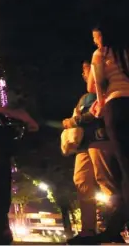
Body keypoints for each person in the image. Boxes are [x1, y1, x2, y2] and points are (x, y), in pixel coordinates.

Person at [74, 25, 129, 244]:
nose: (95, 41)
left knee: (124, 169)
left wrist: (101, 101)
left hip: (115, 105)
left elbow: (94, 84)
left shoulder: (101, 53)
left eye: (96, 37)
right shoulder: (125, 52)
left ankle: (115, 226)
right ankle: (116, 226)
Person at [0, 80, 38, 245]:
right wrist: (23, 116)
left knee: (3, 194)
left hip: (1, 153)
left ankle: (3, 232)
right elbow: (6, 112)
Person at [64, 61, 120, 244]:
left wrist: (74, 122)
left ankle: (115, 227)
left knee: (106, 181)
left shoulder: (107, 92)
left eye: (86, 71)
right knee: (82, 182)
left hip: (100, 140)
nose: (84, 75)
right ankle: (88, 230)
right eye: (83, 72)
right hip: (83, 145)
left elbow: (96, 115)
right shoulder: (85, 97)